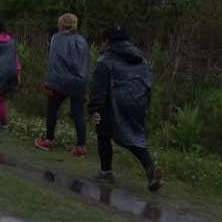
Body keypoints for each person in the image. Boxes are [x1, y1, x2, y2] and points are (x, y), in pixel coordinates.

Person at [89, 26, 163, 191]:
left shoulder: (105, 60)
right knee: (135, 137)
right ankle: (150, 169)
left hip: (110, 104)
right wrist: (144, 104)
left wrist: (95, 108)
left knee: (103, 134)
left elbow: (98, 88)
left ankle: (106, 171)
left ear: (107, 41)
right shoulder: (141, 59)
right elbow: (147, 84)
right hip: (136, 103)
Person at [35, 13, 90, 156]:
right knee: (78, 113)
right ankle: (81, 146)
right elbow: (85, 64)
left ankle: (49, 139)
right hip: (78, 82)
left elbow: (53, 62)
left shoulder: (56, 38)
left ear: (61, 24)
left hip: (59, 81)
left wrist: (49, 83)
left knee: (52, 110)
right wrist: (84, 86)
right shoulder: (82, 41)